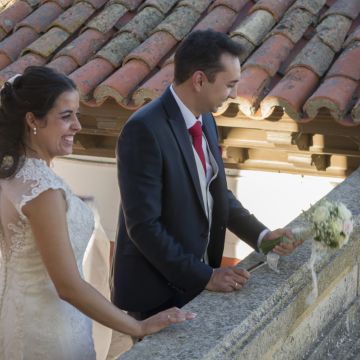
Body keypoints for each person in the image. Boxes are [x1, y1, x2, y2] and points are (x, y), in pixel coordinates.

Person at [0, 66, 195, 360]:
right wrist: (137, 325)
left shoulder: (10, 175)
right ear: (33, 120)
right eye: (66, 116)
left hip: (18, 324)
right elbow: (67, 285)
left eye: (76, 114)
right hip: (51, 336)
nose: (78, 125)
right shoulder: (42, 191)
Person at [112, 30, 303, 321]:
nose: (235, 95)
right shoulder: (143, 130)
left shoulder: (207, 119)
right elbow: (143, 226)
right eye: (230, 85)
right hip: (155, 292)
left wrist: (262, 237)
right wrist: (206, 277)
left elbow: (215, 192)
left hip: (193, 283)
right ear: (199, 80)